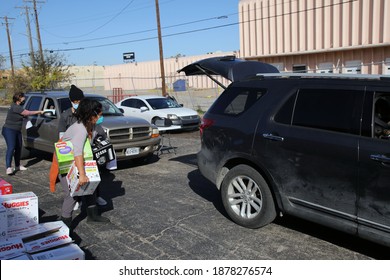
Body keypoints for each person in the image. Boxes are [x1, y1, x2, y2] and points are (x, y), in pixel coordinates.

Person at [59, 98, 110, 230]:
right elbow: (77, 153)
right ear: (91, 114)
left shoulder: (91, 126)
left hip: (81, 163)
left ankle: (92, 216)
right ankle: (64, 226)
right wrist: (82, 175)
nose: (101, 116)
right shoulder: (80, 129)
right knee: (73, 195)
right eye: (99, 114)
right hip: (69, 166)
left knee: (90, 190)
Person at [56, 85, 107, 207]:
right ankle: (74, 204)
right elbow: (63, 140)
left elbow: (100, 134)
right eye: (75, 101)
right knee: (74, 189)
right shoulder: (67, 117)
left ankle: (93, 204)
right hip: (71, 156)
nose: (78, 103)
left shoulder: (91, 121)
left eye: (80, 101)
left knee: (92, 182)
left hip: (86, 155)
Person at [1, 92, 43, 175]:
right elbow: (27, 113)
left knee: (18, 148)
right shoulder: (15, 107)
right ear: (18, 98)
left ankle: (17, 166)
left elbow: (24, 116)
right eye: (23, 97)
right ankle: (8, 167)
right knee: (11, 147)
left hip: (17, 131)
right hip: (9, 130)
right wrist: (40, 112)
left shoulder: (19, 107)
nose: (24, 99)